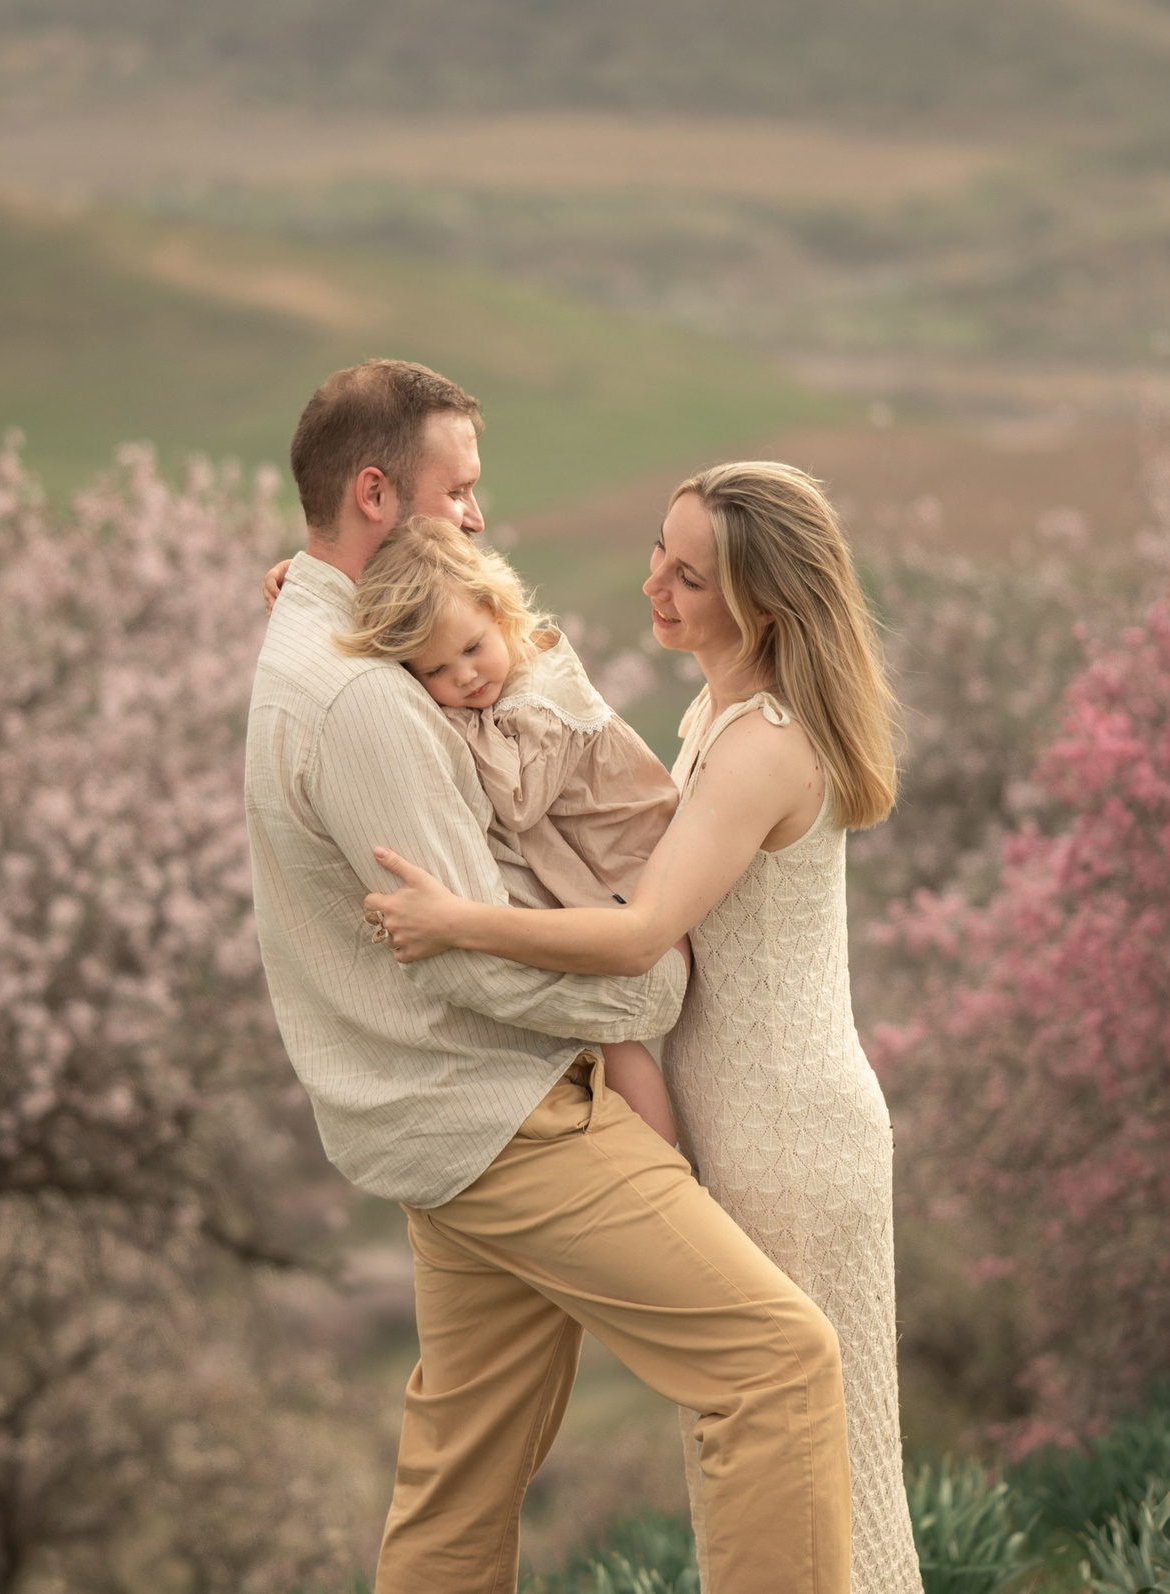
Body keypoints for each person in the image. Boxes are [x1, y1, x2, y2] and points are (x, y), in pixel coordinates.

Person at [248, 360, 852, 1594]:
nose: (477, 512)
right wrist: (652, 989)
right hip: (512, 1117)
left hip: (441, 1124)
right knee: (775, 1362)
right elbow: (470, 954)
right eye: (457, 490)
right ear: (375, 492)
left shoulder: (330, 635)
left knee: (460, 1477)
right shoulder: (364, 698)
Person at [364, 460, 926, 1594]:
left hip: (785, 1132)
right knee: (767, 1454)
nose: (652, 585)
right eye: (656, 554)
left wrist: (455, 920)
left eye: (688, 576)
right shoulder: (714, 706)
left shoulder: (765, 741)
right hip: (740, 1114)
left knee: (811, 1462)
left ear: (762, 602)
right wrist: (327, 598)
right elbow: (491, 635)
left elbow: (641, 932)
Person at [332, 514, 681, 1146]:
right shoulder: (500, 685)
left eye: (471, 649)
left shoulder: (540, 693)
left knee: (617, 1033)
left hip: (637, 872)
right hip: (603, 868)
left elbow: (516, 802)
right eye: (434, 673)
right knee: (605, 1036)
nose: (463, 677)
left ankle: (665, 1157)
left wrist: (452, 727)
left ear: (500, 613)